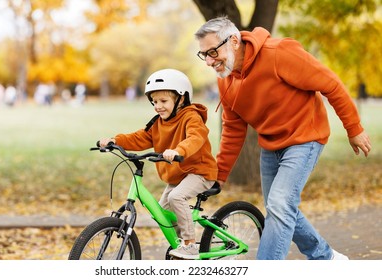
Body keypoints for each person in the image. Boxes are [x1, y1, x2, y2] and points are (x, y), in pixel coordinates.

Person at [194, 16, 371, 260]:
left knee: (279, 205)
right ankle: (326, 258)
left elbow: (331, 84)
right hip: (271, 144)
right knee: (281, 207)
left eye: (213, 51)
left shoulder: (279, 53)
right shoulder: (226, 80)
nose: (210, 61)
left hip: (305, 137)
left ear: (234, 41)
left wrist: (354, 128)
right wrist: (220, 174)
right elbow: (234, 129)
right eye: (204, 55)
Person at [98, 68, 218, 259]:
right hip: (178, 174)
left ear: (181, 99)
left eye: (163, 101)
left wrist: (179, 150)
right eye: (154, 102)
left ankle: (189, 244)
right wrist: (115, 141)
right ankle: (181, 245)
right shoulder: (158, 122)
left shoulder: (191, 117)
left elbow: (196, 138)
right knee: (162, 213)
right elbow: (140, 138)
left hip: (199, 171)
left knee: (176, 197)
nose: (158, 106)